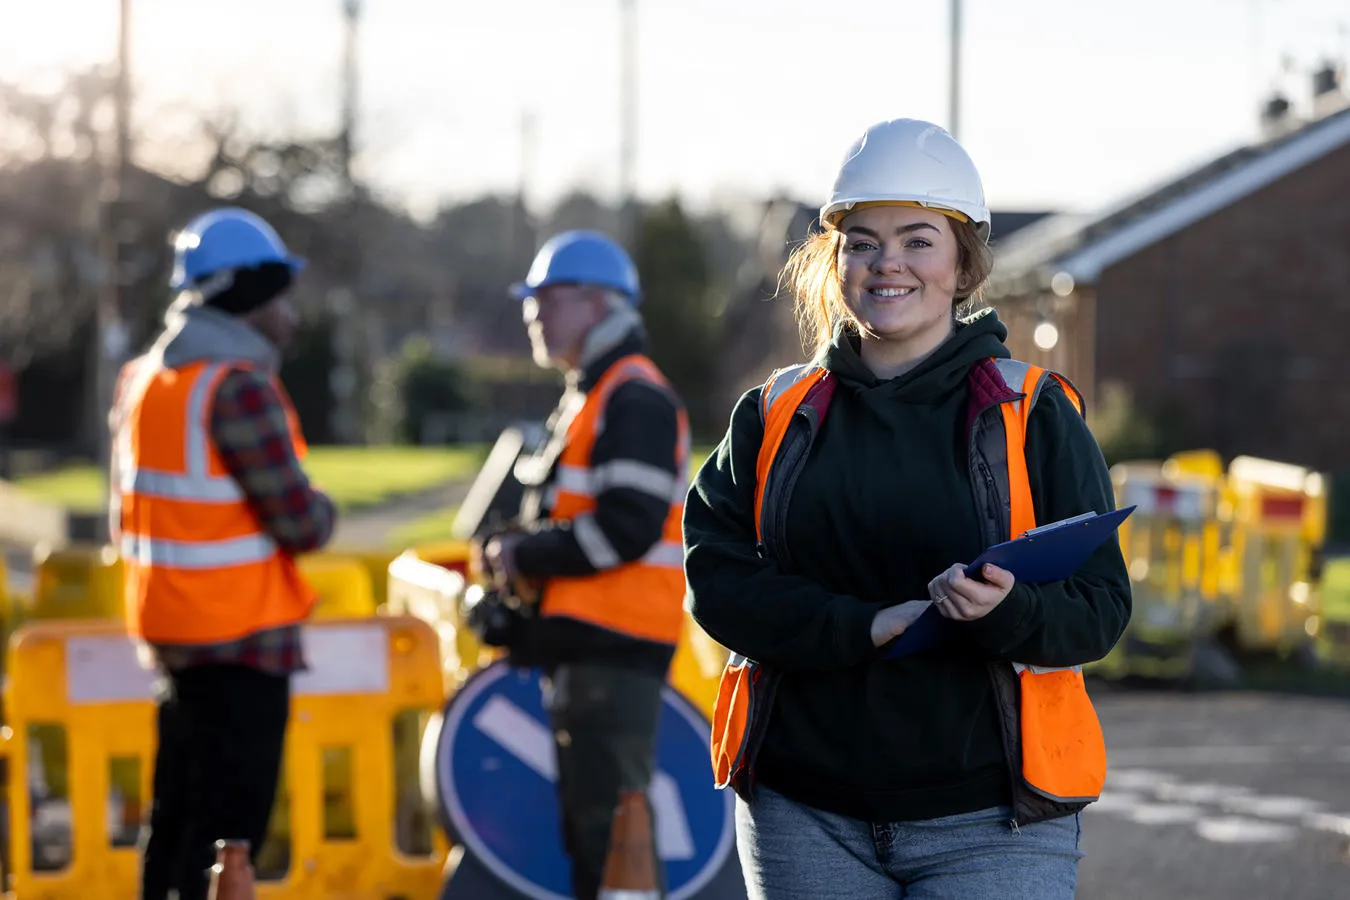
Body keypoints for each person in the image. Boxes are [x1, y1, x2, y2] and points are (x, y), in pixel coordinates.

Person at [682, 118, 1132, 899]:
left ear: (964, 266)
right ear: (836, 259)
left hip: (996, 824)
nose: (888, 262)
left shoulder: (1033, 410)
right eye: (863, 241)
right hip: (801, 814)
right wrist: (861, 626)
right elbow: (713, 580)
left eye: (919, 240)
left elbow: (1099, 607)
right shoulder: (774, 412)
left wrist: (1009, 611)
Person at [110, 207, 337, 900]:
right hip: (240, 640)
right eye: (278, 294)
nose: (290, 315)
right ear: (245, 296)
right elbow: (302, 522)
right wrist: (322, 503)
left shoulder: (145, 379)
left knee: (177, 822)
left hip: (171, 633)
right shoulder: (236, 384)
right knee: (229, 840)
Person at [477, 229, 688, 899]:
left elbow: (625, 529)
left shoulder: (633, 395)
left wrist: (522, 551)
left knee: (613, 839)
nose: (532, 313)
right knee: (597, 837)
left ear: (598, 304)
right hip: (595, 650)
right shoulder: (594, 391)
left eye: (547, 298)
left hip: (615, 651)